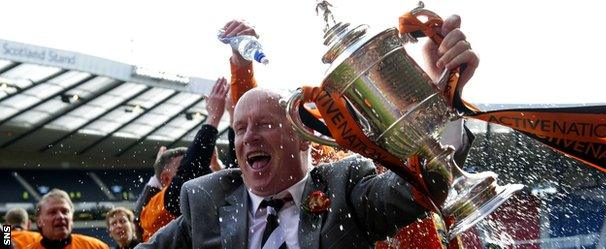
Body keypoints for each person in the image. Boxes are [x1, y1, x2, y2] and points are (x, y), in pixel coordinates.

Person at [137, 13, 478, 248]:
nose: (248, 136)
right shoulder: (207, 202)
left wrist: (440, 104)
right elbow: (258, 120)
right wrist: (241, 66)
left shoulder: (346, 185)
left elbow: (421, 183)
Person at [137, 77, 230, 242]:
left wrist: (215, 166)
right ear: (166, 178)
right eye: (181, 165)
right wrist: (213, 118)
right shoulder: (152, 209)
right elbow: (188, 173)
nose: (200, 170)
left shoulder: (195, 197)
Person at [31, 189, 108, 249]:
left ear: (72, 218)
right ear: (39, 221)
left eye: (65, 212)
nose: (60, 216)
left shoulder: (96, 247)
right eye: (52, 212)